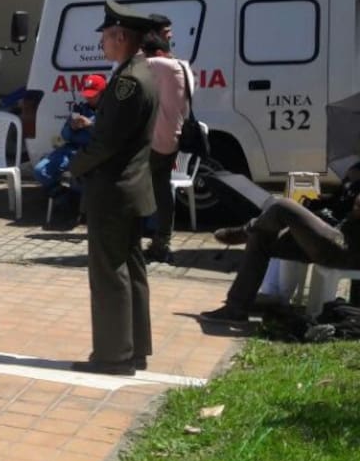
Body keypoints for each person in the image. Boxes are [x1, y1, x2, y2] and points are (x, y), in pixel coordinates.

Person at [66, 1, 160, 376]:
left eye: (105, 36)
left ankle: (113, 356)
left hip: (114, 189)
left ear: (120, 36)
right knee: (131, 269)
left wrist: (74, 166)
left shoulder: (127, 82)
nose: (101, 43)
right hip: (130, 188)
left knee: (109, 272)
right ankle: (134, 349)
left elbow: (107, 142)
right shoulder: (140, 72)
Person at [201, 193, 360, 324]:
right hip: (337, 232)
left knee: (283, 206)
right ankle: (235, 309)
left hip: (345, 249)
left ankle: (245, 231)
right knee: (260, 238)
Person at [142, 23, 194, 264]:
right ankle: (162, 242)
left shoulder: (161, 65)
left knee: (138, 188)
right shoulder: (184, 67)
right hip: (173, 139)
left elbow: (130, 64)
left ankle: (142, 240)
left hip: (155, 140)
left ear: (157, 53)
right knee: (162, 191)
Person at [33, 73, 105, 201]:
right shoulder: (80, 109)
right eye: (87, 95)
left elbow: (107, 137)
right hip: (70, 151)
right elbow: (64, 135)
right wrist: (71, 127)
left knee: (81, 180)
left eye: (93, 95)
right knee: (41, 170)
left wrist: (90, 125)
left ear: (103, 93)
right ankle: (63, 197)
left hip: (91, 153)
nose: (89, 98)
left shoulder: (109, 111)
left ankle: (77, 201)